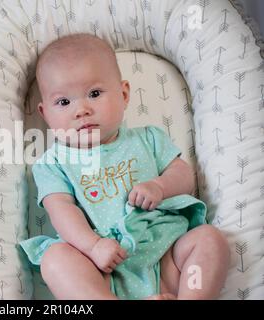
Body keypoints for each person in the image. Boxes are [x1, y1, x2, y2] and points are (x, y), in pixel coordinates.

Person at [19, 33, 230, 300]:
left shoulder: (149, 138)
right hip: (102, 271)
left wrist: (159, 186)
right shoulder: (52, 165)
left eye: (94, 94)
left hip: (166, 256)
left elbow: (183, 174)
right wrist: (93, 246)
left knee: (211, 240)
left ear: (124, 94)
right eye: (63, 102)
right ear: (45, 114)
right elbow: (61, 210)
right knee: (55, 259)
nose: (81, 110)